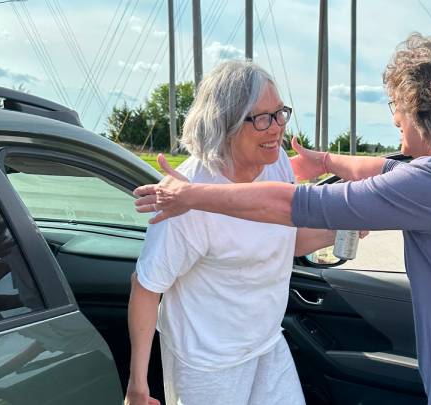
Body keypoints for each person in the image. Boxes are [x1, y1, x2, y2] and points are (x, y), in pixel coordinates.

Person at [134, 34, 431, 405]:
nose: (394, 120)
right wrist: (324, 161)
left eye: (398, 107)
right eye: (263, 117)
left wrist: (191, 196)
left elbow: (292, 207)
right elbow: (383, 168)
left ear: (426, 112)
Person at [125, 61, 342, 405]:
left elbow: (282, 239)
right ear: (223, 123)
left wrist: (341, 230)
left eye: (279, 114)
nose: (276, 129)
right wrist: (138, 385)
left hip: (267, 343)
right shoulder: (183, 197)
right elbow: (147, 287)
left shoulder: (275, 163)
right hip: (207, 364)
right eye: (261, 118)